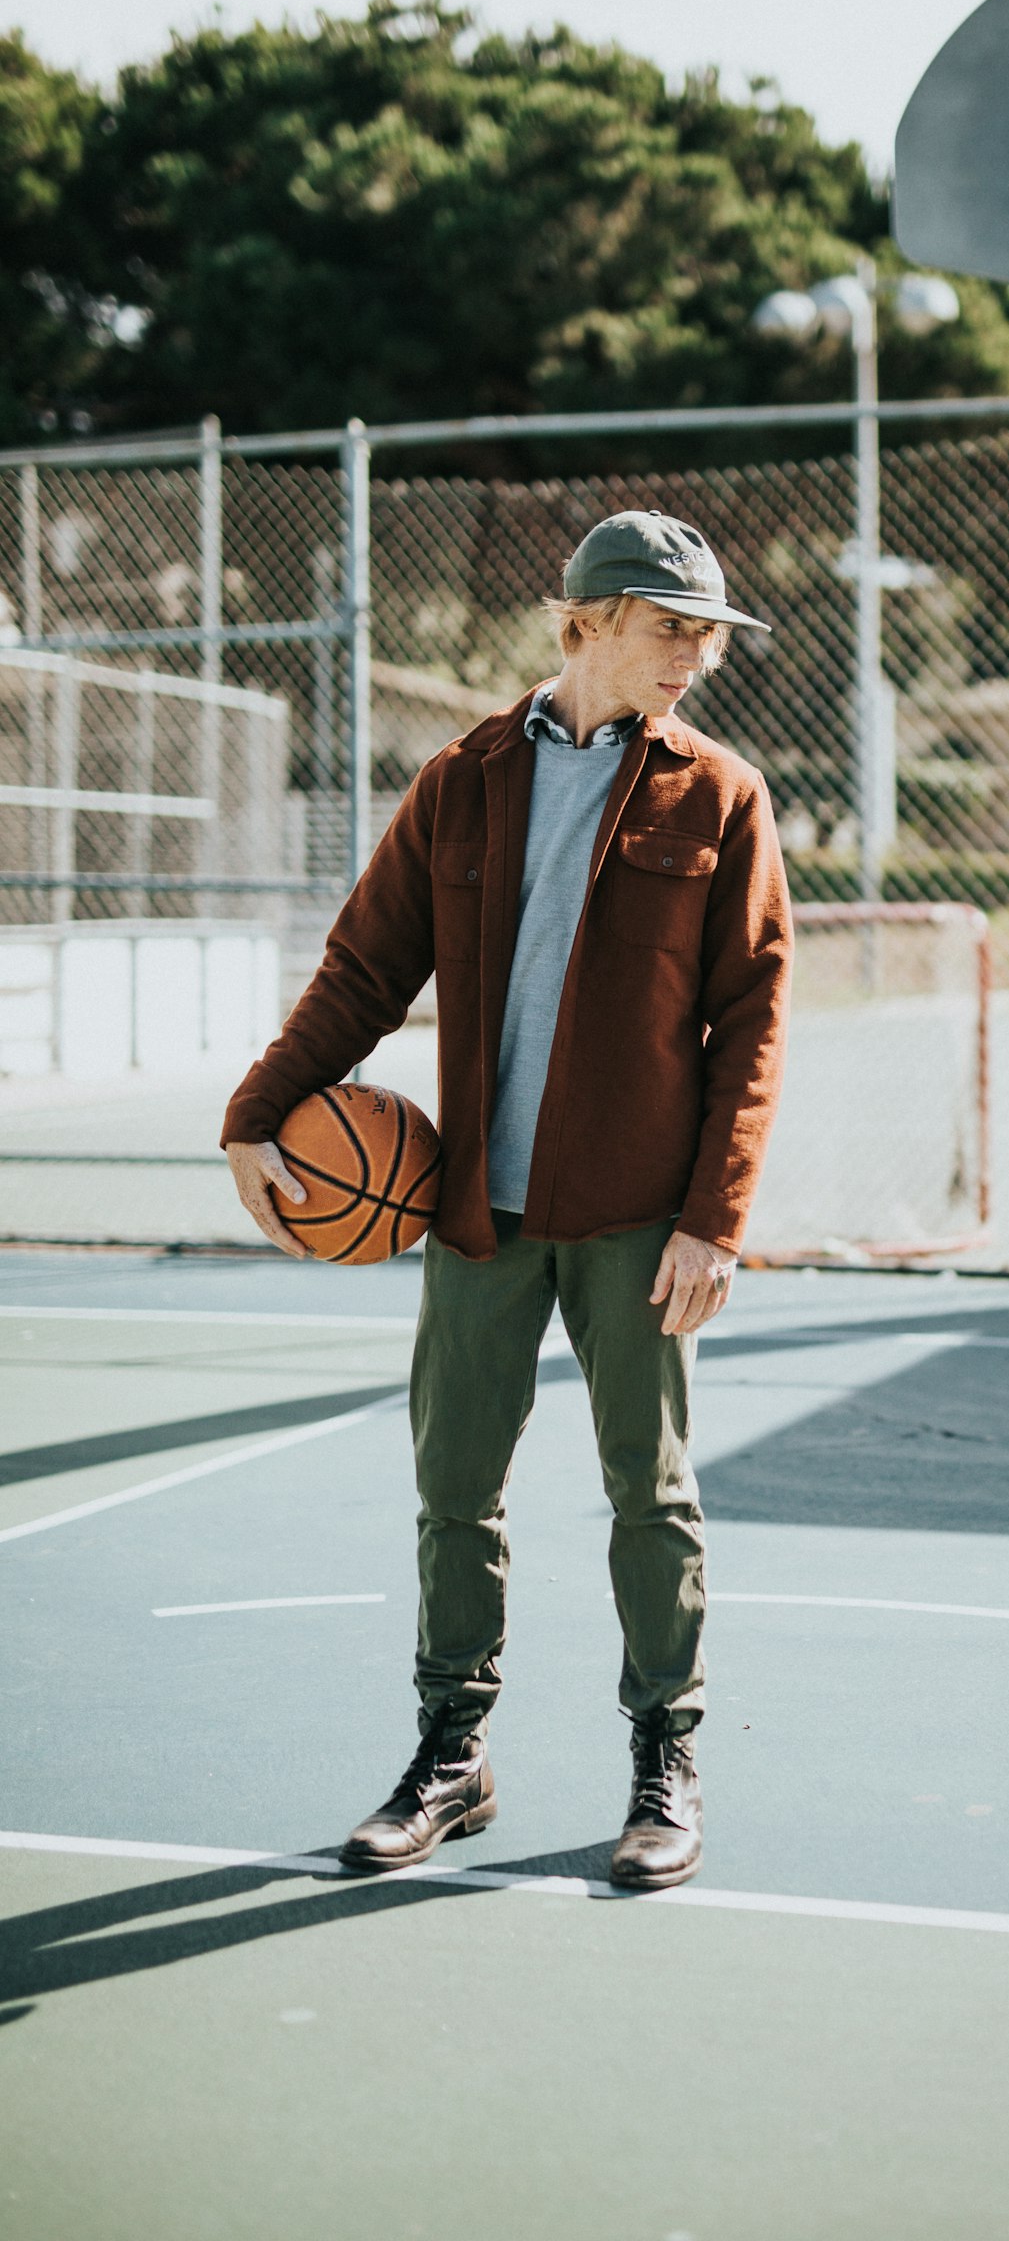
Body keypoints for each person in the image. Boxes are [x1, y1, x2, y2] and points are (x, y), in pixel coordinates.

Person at [222, 510, 792, 1890]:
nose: (695, 657)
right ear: (581, 623)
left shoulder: (720, 797)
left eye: (709, 634)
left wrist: (717, 1214)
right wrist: (257, 1108)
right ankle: (452, 1758)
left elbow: (754, 1018)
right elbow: (364, 972)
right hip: (478, 1210)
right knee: (453, 1491)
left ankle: (666, 1760)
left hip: (641, 1217)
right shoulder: (462, 785)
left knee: (648, 1497)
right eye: (671, 627)